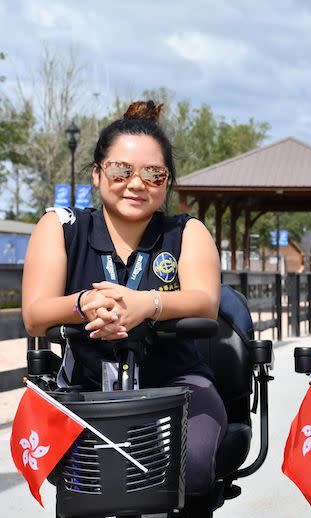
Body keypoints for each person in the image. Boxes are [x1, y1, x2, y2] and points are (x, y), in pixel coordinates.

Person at [21, 101, 225, 517]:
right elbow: (35, 313)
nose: (136, 183)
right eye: (120, 170)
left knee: (196, 468)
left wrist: (144, 304)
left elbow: (205, 300)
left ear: (166, 183)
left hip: (176, 381)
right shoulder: (60, 227)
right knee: (84, 480)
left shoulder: (187, 231)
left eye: (154, 174)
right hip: (88, 383)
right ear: (97, 174)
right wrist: (86, 303)